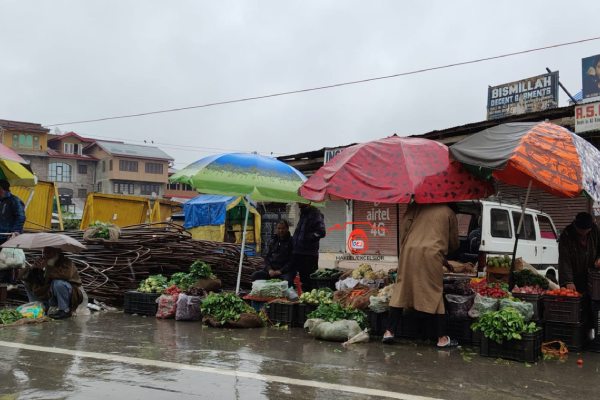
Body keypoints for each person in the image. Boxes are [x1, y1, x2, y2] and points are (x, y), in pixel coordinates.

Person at [383, 203, 459, 348]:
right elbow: (454, 242)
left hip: (409, 252)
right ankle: (442, 338)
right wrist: (444, 251)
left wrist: (407, 247)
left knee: (401, 289)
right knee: (435, 292)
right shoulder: (448, 212)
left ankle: (389, 331)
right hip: (431, 254)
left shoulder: (415, 206)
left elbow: (404, 228)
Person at [20, 247, 84, 319]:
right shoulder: (41, 261)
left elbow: (65, 276)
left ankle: (64, 310)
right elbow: (23, 277)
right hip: (47, 294)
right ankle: (37, 307)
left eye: (49, 252)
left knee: (58, 283)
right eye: (44, 252)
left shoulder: (66, 262)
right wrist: (34, 268)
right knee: (28, 282)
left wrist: (47, 268)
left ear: (57, 253)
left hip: (68, 294)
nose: (45, 255)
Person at [558, 212, 600, 293]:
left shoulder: (595, 231)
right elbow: (564, 260)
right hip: (574, 277)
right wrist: (568, 281)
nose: (583, 234)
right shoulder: (567, 235)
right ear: (575, 226)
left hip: (591, 277)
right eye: (580, 231)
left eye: (586, 231)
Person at [289, 204, 326, 291]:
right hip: (298, 252)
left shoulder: (315, 213)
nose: (298, 202)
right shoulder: (303, 213)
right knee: (299, 279)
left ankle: (309, 300)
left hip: (308, 254)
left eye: (300, 200)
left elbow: (321, 232)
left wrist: (308, 238)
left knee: (308, 281)